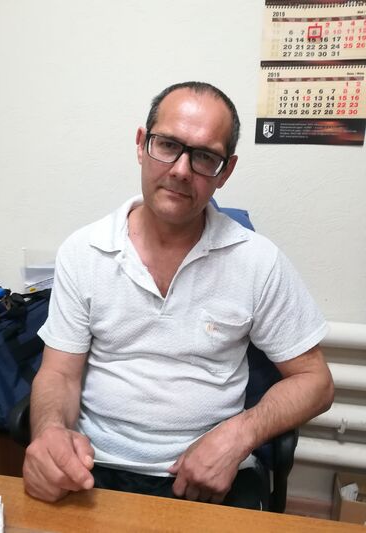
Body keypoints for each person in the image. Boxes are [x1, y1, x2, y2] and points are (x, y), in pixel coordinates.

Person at [23, 81, 334, 507]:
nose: (182, 170)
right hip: (93, 469)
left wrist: (238, 436)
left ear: (226, 170)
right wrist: (49, 434)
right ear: (141, 144)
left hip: (210, 476)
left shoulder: (257, 261)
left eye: (204, 156)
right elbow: (59, 374)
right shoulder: (84, 251)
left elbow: (316, 382)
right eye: (168, 145)